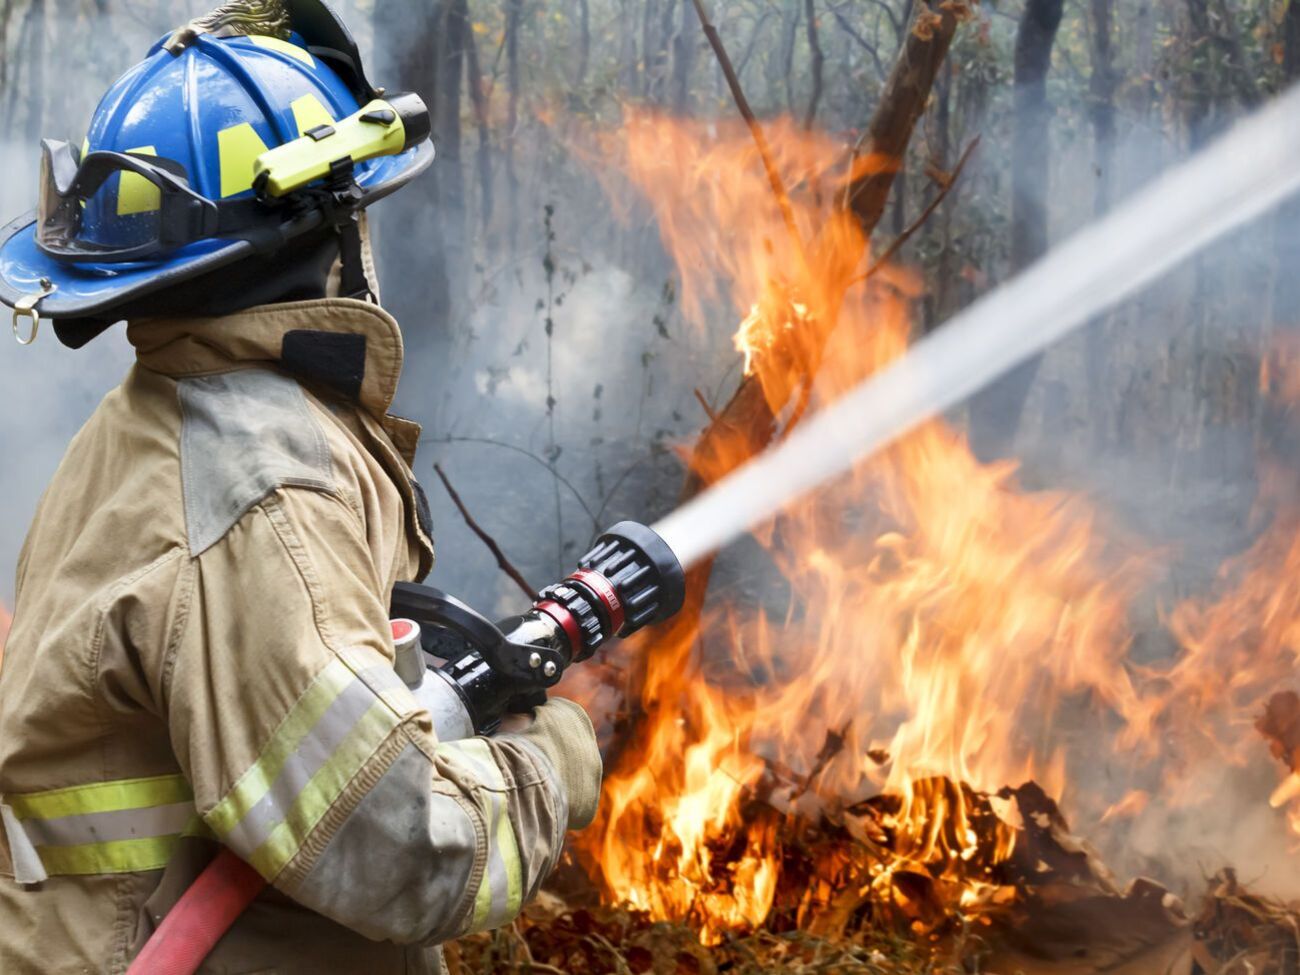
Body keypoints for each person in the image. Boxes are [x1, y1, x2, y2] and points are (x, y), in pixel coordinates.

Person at [0, 1, 603, 972]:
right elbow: (401, 849)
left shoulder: (153, 419)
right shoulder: (261, 492)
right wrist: (557, 762)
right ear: (326, 235)